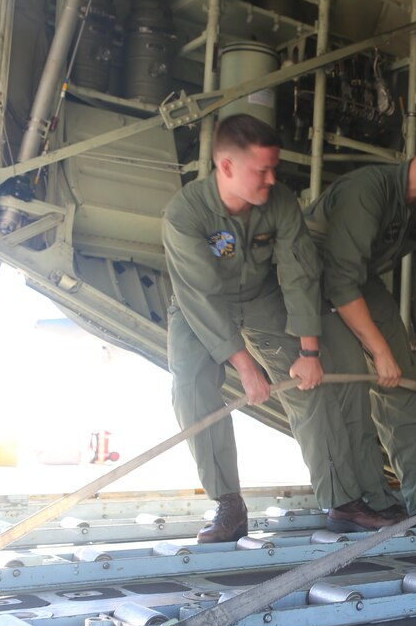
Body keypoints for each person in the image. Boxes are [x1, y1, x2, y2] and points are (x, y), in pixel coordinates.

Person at [163, 114, 399, 542]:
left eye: (274, 169)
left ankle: (342, 501)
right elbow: (202, 297)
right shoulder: (185, 213)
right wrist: (246, 369)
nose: (271, 179)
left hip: (261, 299)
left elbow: (299, 275)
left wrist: (309, 353)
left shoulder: (281, 203)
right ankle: (228, 505)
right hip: (199, 305)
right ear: (227, 166)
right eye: (262, 170)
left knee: (311, 385)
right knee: (191, 387)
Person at [304, 120, 416, 526]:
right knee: (351, 383)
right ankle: (364, 499)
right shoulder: (367, 190)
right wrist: (379, 351)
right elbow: (338, 280)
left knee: (401, 379)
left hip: (357, 282)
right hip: (311, 277)